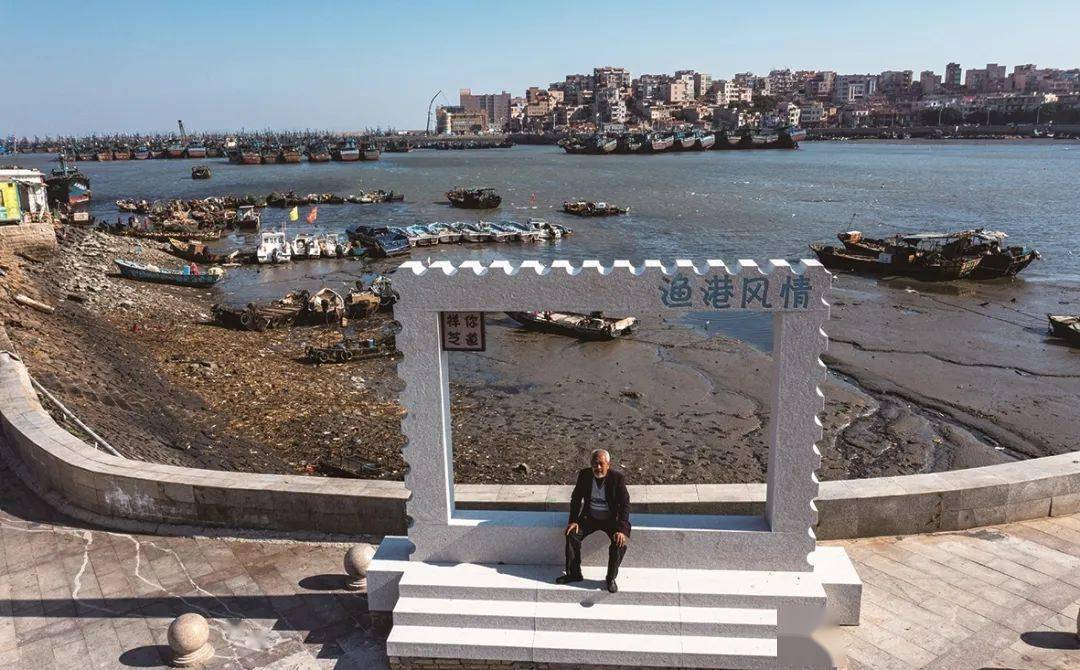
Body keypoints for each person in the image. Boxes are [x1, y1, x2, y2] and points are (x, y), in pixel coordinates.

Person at [557, 449, 630, 593]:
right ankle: (574, 574)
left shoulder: (617, 478)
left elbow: (625, 504)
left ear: (608, 465)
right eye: (594, 464)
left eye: (601, 464)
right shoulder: (584, 475)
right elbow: (576, 499)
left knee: (619, 543)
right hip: (589, 517)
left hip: (611, 519)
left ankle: (610, 578)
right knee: (572, 535)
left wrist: (621, 530)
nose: (597, 468)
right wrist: (573, 521)